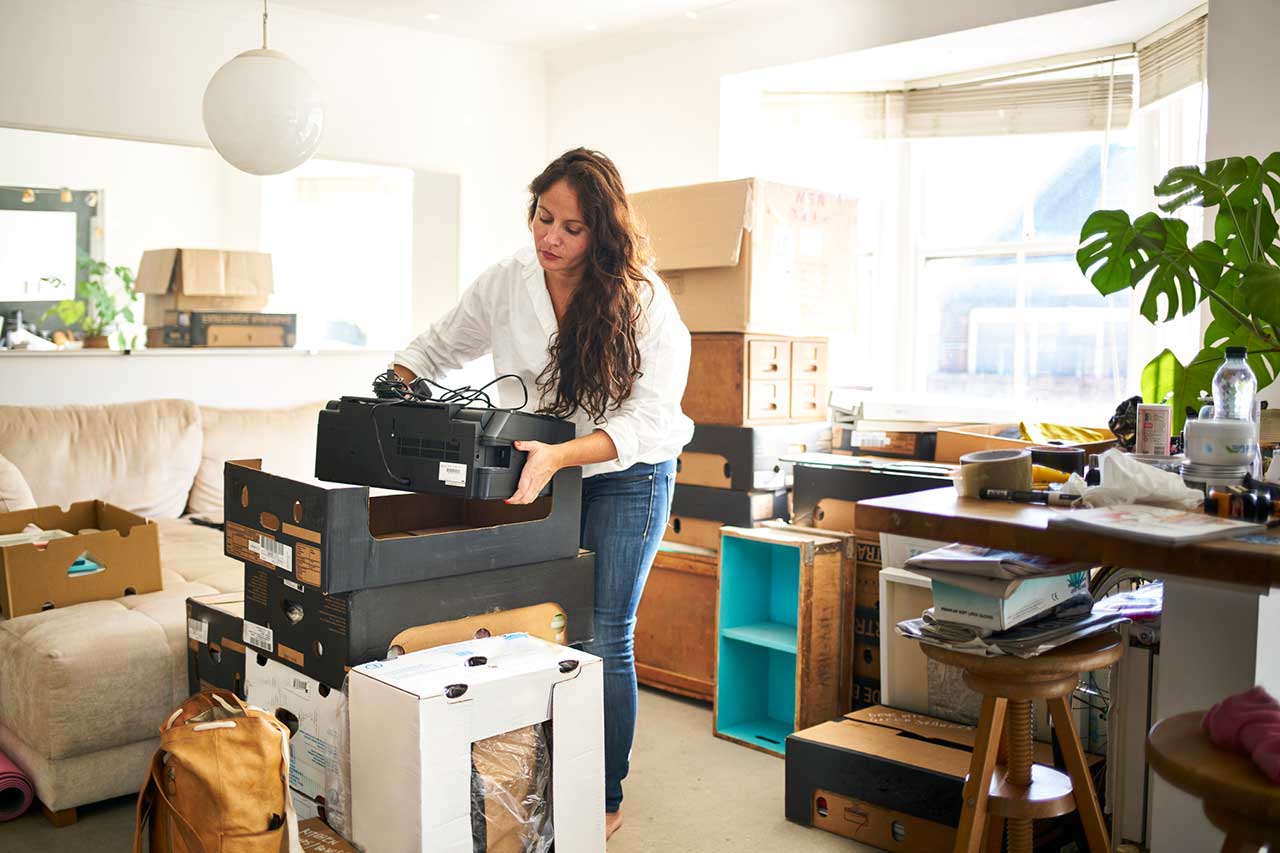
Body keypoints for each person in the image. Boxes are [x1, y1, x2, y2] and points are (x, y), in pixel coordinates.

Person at [392, 148, 694, 840]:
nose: (549, 236)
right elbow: (439, 345)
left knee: (604, 631)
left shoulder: (643, 299)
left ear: (604, 234)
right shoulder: (508, 282)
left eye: (571, 227)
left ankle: (604, 791)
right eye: (541, 216)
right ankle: (540, 774)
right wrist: (393, 382)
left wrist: (561, 454)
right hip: (543, 470)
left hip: (628, 473)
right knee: (538, 627)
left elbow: (648, 419)